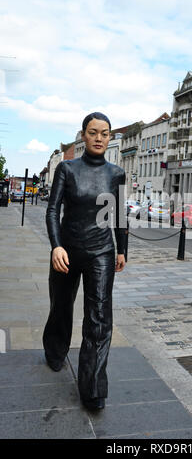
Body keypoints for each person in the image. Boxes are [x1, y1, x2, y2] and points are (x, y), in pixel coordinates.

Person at [43, 112, 126, 412]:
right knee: (61, 306)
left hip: (101, 252)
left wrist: (121, 250)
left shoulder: (116, 174)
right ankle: (55, 349)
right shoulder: (66, 168)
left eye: (105, 133)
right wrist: (56, 247)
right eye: (93, 132)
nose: (99, 138)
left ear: (110, 136)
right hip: (68, 250)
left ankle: (92, 388)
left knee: (99, 320)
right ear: (83, 135)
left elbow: (120, 217)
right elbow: (52, 211)